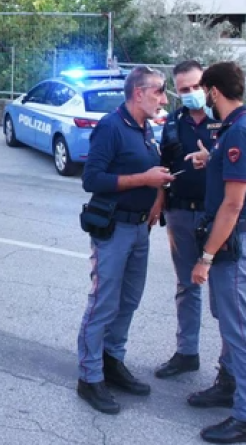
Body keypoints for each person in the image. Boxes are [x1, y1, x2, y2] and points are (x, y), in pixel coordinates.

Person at [156, 61, 246, 381]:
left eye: (197, 87)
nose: (193, 93)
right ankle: (186, 353)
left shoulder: (227, 120)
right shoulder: (173, 122)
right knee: (186, 286)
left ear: (209, 88)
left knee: (225, 302)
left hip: (218, 219)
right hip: (181, 213)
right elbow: (164, 163)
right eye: (184, 89)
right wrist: (159, 203)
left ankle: (230, 372)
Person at [76, 65, 175, 414]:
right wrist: (143, 180)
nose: (164, 99)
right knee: (104, 303)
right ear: (138, 92)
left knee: (129, 300)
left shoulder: (145, 128)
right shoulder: (111, 127)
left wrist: (158, 194)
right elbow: (92, 180)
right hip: (114, 228)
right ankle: (89, 377)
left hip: (140, 228)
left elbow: (151, 172)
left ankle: (112, 361)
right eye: (159, 91)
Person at [186, 61, 246, 444]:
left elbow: (233, 205)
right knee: (227, 317)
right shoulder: (236, 128)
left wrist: (205, 258)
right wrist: (211, 159)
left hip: (232, 242)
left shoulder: (238, 133)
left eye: (203, 90)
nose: (200, 97)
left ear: (214, 92)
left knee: (238, 329)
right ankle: (229, 384)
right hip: (232, 239)